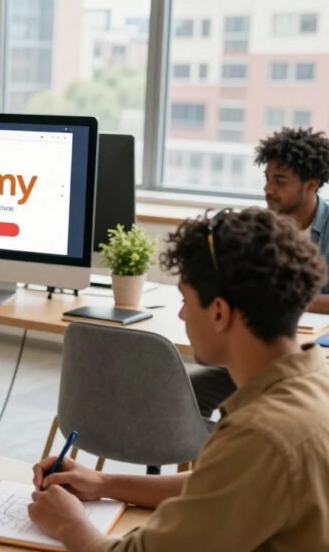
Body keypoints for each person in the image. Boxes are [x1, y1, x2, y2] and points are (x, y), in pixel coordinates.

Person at [27, 208, 329, 552]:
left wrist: (70, 524)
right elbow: (217, 485)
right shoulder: (315, 380)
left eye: (185, 300)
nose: (182, 314)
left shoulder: (260, 435)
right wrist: (103, 482)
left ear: (219, 312)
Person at [190, 127, 329, 418]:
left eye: (280, 181)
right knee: (189, 392)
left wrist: (278, 298)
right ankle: (218, 460)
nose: (268, 189)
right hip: (262, 352)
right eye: (267, 179)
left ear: (311, 185)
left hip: (314, 361)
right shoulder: (263, 230)